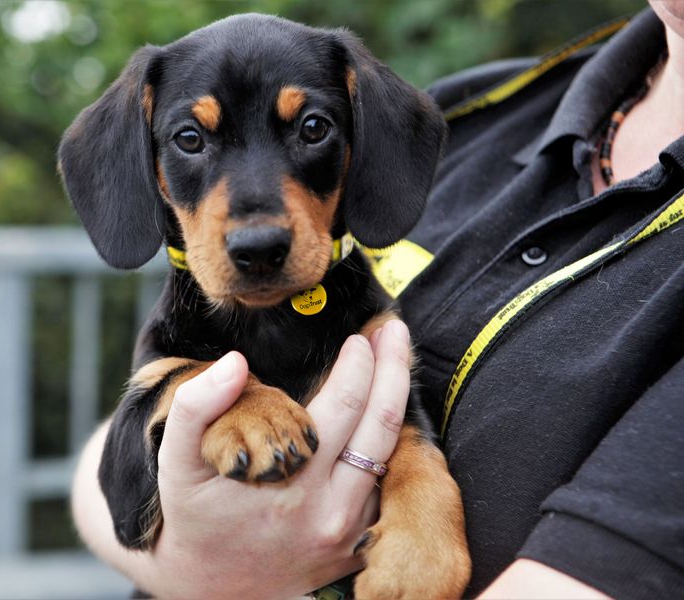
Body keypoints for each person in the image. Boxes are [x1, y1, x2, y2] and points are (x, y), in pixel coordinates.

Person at [72, 4, 683, 598]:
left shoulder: (360, 305)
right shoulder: (486, 108)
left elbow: (403, 428)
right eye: (189, 138)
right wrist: (213, 565)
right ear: (147, 162)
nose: (257, 228)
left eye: (312, 129)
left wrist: (423, 496)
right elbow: (120, 501)